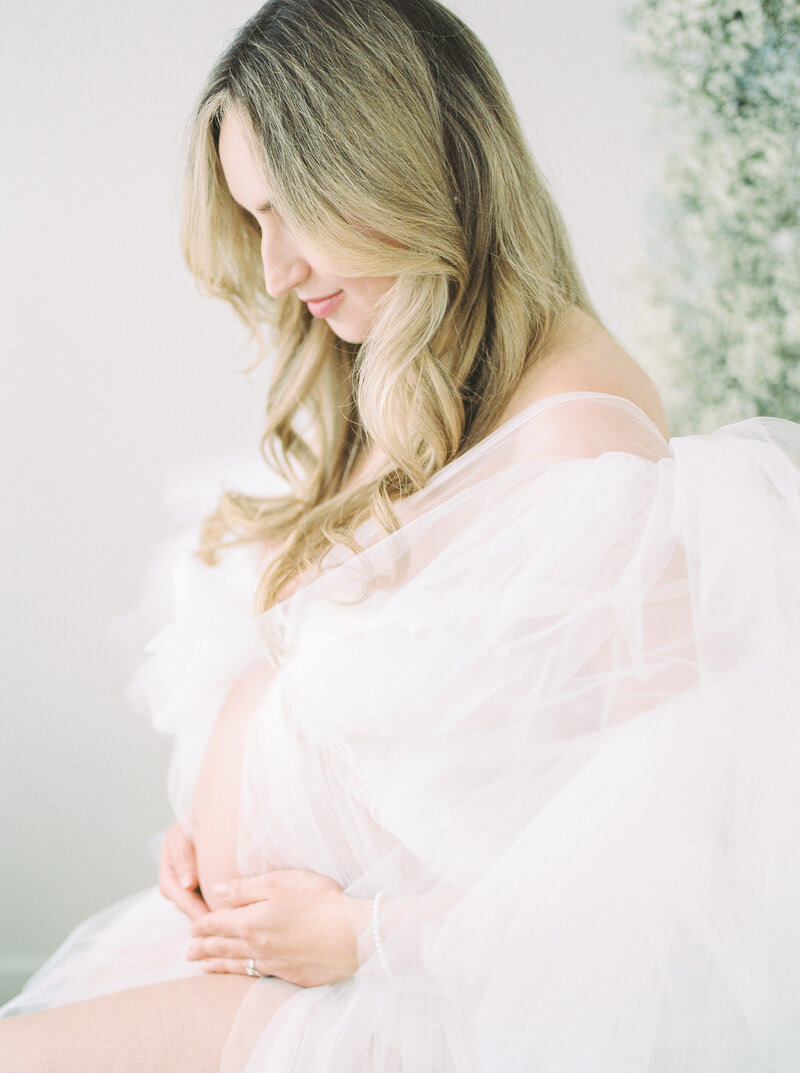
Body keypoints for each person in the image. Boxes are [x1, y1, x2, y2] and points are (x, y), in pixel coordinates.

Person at [3, 0, 800, 1069]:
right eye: (254, 219)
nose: (276, 268)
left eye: (290, 209)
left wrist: (361, 932)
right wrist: (211, 834)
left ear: (390, 166)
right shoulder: (405, 372)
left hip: (399, 1002)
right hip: (271, 966)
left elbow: (673, 868)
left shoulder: (580, 441)